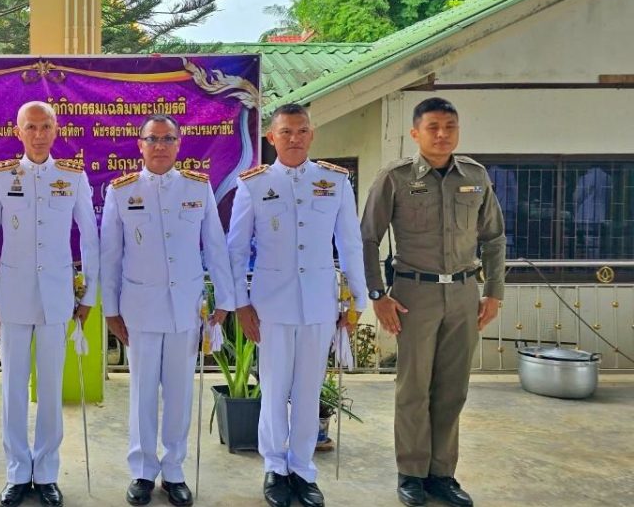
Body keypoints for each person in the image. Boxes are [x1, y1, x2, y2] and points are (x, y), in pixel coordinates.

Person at [361, 97, 505, 507]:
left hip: (463, 293)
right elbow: (368, 238)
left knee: (452, 389)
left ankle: (442, 475)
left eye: (450, 127)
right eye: (433, 127)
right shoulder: (395, 177)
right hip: (414, 295)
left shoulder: (475, 176)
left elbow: (494, 238)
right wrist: (378, 295)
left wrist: (494, 292)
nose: (442, 135)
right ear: (415, 133)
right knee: (414, 388)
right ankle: (411, 473)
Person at [226, 104, 368, 507]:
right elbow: (237, 249)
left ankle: (303, 469)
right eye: (285, 131)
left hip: (320, 303)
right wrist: (240, 304)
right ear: (271, 137)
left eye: (301, 130)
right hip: (270, 305)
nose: (294, 138)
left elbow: (350, 243)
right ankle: (275, 467)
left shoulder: (334, 181)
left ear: (311, 135)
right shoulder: (254, 184)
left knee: (308, 390)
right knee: (273, 390)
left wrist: (357, 300)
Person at [100, 114, 237, 507]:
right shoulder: (121, 191)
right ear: (140, 145)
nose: (159, 146)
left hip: (185, 309)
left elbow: (215, 246)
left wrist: (225, 301)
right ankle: (143, 471)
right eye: (152, 139)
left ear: (178, 144)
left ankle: (174, 470)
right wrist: (111, 309)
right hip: (140, 310)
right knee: (142, 393)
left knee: (179, 394)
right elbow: (111, 256)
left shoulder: (197, 187)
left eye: (167, 139)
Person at [0, 101, 100, 507]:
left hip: (56, 296)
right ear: (18, 132)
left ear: (56, 129)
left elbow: (90, 237)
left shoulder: (72, 176)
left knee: (50, 388)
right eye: (30, 127)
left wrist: (89, 294)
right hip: (12, 296)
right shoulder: (0, 177)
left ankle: (46, 472)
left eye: (46, 126)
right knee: (13, 388)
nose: (38, 134)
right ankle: (17, 471)